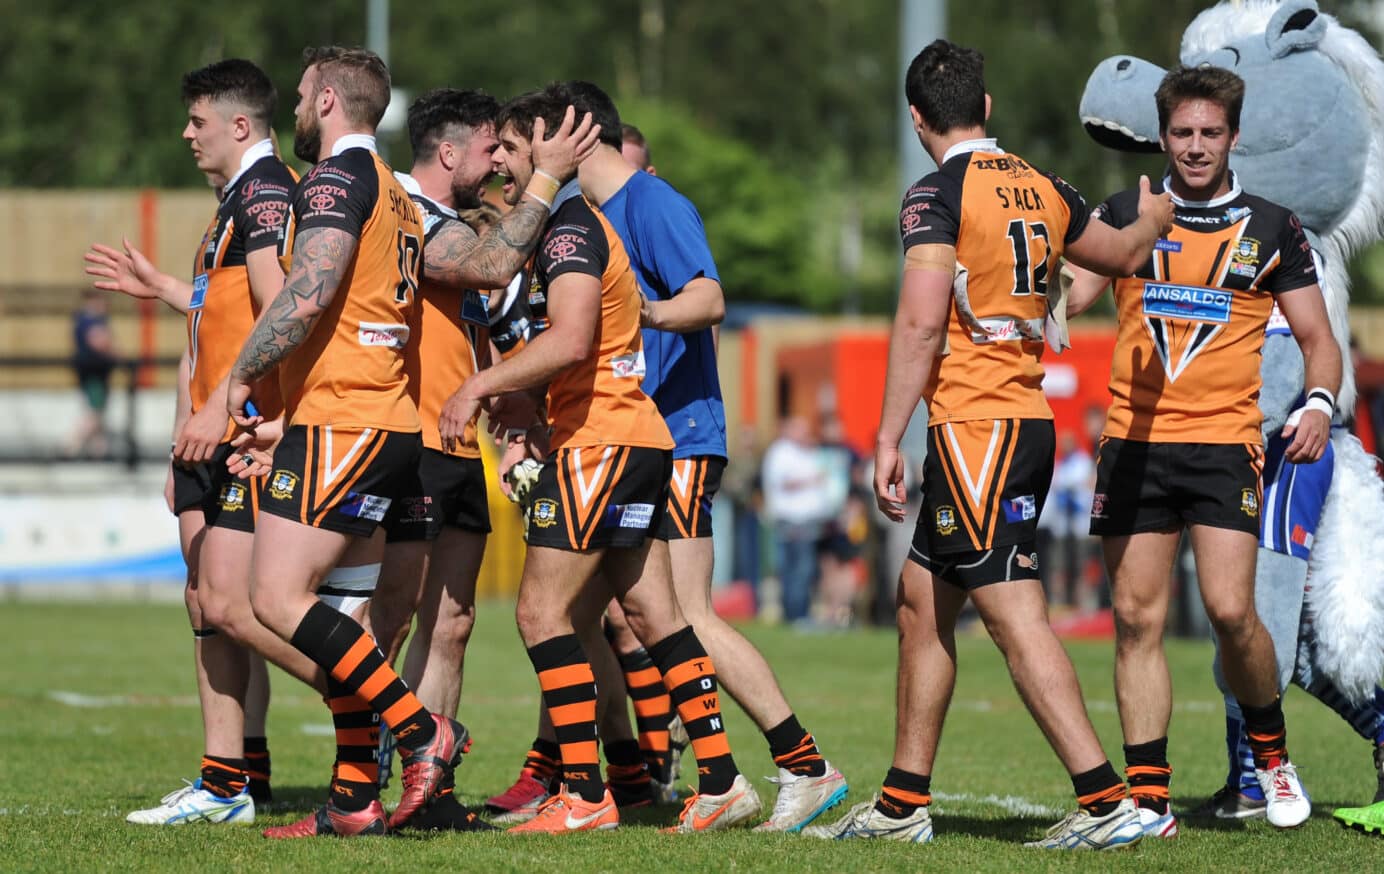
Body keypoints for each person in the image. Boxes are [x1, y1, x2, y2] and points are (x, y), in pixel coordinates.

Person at [808, 39, 1172, 848]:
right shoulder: (1043, 185)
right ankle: (904, 805)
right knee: (919, 604)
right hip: (1018, 423)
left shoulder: (935, 195)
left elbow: (920, 319)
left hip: (977, 427)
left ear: (916, 118)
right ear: (988, 108)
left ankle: (1107, 803)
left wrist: (884, 435)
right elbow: (1117, 255)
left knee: (1012, 615)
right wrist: (1151, 216)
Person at [437, 87, 757, 834]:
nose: (502, 169)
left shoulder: (571, 226)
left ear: (551, 145)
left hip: (604, 444)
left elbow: (575, 337)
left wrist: (483, 381)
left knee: (542, 612)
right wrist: (531, 404)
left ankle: (582, 794)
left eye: (513, 150)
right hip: (632, 436)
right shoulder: (581, 222)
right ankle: (723, 781)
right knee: (651, 614)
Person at [1066, 65, 1340, 834]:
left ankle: (1271, 754)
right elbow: (1070, 296)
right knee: (1134, 619)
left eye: (1209, 133)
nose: (1194, 147)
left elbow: (1320, 342)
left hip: (1225, 445)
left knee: (1229, 610)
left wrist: (1318, 401)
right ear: (1161, 137)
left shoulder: (1274, 226)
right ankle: (1149, 796)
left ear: (1233, 137)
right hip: (1134, 446)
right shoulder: (1125, 213)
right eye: (1181, 133)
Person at [569, 80, 846, 830]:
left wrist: (639, 312)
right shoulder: (593, 218)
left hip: (682, 435)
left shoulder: (652, 204)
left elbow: (709, 298)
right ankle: (627, 775)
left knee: (685, 612)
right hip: (640, 438)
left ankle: (802, 764)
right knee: (589, 610)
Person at [223, 45, 471, 839]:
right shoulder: (397, 194)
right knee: (344, 618)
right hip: (387, 420)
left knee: (272, 599)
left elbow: (312, 285)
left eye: (301, 96)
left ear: (328, 100)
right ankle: (353, 800)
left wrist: (242, 372)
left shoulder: (334, 178)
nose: (296, 110)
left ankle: (422, 729)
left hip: (346, 418)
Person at [364, 86, 597, 802]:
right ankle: (364, 774)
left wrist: (513, 392)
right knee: (392, 619)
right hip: (415, 439)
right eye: (490, 147)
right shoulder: (408, 216)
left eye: (506, 147)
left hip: (464, 448)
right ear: (448, 151)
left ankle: (428, 786)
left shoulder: (460, 219)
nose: (499, 159)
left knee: (454, 622)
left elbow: (486, 320)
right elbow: (491, 267)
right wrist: (549, 179)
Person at [84, 58, 293, 825]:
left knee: (240, 606)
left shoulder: (269, 194)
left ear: (240, 125)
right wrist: (168, 290)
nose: (186, 133)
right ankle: (230, 780)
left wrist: (235, 407)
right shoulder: (234, 201)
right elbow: (224, 310)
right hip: (209, 431)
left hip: (242, 431)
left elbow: (282, 309)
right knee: (208, 603)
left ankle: (392, 719)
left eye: (197, 120)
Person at [760, 417, 832, 623]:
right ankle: (796, 614)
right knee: (798, 569)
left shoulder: (805, 452)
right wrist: (813, 479)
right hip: (792, 521)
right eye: (800, 429)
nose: (805, 434)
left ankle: (798, 612)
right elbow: (784, 483)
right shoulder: (781, 452)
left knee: (802, 569)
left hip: (806, 521)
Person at [67, 290, 117, 458]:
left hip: (96, 372)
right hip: (93, 373)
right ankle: (69, 447)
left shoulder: (86, 320)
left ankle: (99, 451)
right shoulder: (88, 321)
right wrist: (116, 353)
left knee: (98, 411)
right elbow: (99, 342)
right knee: (95, 412)